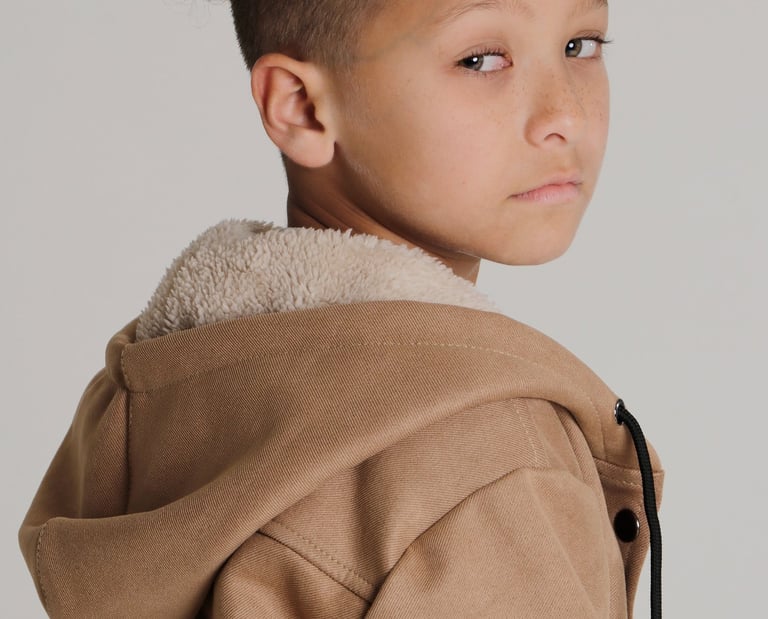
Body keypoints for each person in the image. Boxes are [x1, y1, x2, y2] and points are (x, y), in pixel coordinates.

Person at [18, 0, 664, 617]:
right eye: (481, 60)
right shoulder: (488, 464)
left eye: (581, 45)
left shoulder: (165, 396)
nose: (565, 115)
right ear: (301, 107)